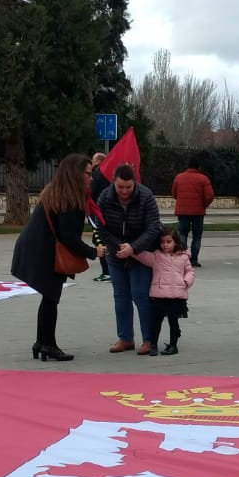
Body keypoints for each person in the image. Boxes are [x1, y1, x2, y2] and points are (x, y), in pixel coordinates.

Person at [10, 154, 100, 362]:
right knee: (51, 297)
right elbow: (68, 236)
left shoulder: (57, 191)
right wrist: (93, 252)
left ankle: (42, 342)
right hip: (45, 253)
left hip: (35, 249)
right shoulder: (69, 199)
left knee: (49, 298)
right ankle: (47, 344)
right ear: (76, 174)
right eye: (88, 173)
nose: (91, 178)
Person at [95, 162, 163, 354]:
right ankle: (125, 338)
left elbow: (153, 228)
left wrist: (134, 248)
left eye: (128, 187)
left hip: (140, 254)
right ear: (113, 184)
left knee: (141, 296)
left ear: (134, 183)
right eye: (120, 187)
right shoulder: (104, 198)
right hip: (116, 255)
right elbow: (100, 227)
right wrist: (119, 246)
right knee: (121, 297)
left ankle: (149, 339)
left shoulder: (146, 196)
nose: (124, 191)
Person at [136, 226, 195, 356]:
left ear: (176, 242)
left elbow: (189, 271)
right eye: (162, 242)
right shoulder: (156, 256)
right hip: (159, 295)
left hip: (176, 296)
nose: (165, 245)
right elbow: (142, 255)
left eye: (168, 242)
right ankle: (153, 345)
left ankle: (173, 345)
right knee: (155, 322)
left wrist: (186, 281)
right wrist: (131, 250)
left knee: (174, 322)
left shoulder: (184, 257)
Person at [171, 156, 215, 268]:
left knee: (183, 234)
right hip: (198, 212)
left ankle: (182, 258)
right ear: (199, 166)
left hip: (183, 211)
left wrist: (181, 201)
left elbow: (174, 193)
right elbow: (210, 195)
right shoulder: (204, 179)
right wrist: (203, 205)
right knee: (197, 236)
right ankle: (194, 259)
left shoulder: (179, 177)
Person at [90, 152, 111, 281]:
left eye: (93, 159)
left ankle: (107, 271)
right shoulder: (109, 174)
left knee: (99, 240)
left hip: (96, 212)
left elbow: (90, 193)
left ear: (98, 161)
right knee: (99, 239)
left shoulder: (96, 175)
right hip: (107, 212)